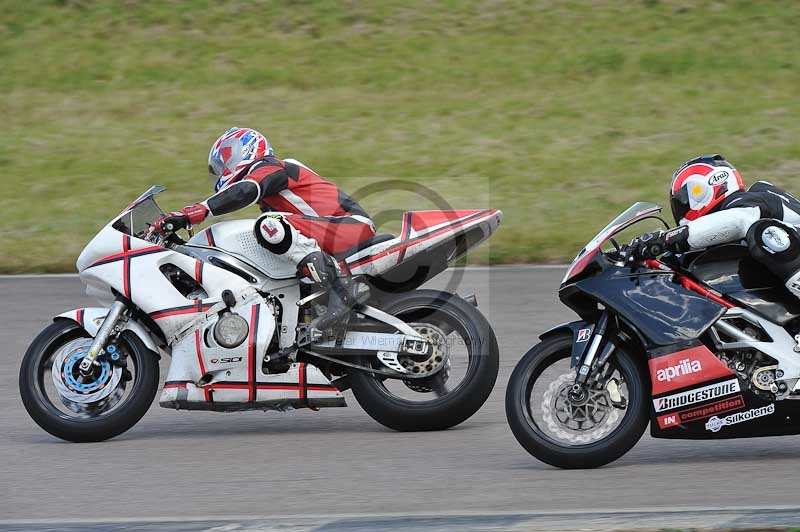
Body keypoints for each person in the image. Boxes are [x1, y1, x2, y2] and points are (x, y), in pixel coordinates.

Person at [152, 127, 375, 334]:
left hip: (349, 226)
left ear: (243, 150)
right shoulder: (270, 194)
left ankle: (341, 290)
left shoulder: (272, 166)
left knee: (268, 225)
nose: (221, 172)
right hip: (335, 231)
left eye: (222, 164)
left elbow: (246, 190)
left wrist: (194, 212)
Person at [629, 154, 800, 298]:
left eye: (682, 200)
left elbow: (738, 221)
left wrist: (664, 240)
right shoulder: (728, 227)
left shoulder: (747, 201)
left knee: (765, 233)